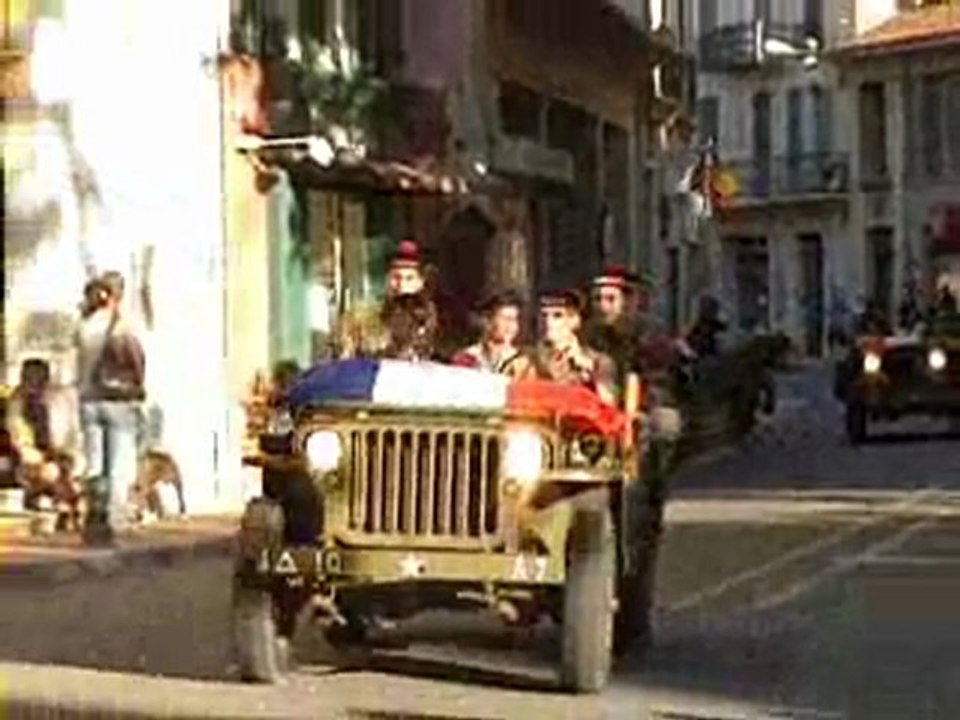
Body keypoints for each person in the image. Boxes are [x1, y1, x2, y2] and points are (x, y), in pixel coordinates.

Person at [75, 271, 147, 545]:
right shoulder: (120, 323)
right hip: (117, 400)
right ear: (118, 295)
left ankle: (93, 517)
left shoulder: (84, 324)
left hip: (88, 400)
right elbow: (134, 358)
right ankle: (114, 522)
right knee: (119, 464)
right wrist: (138, 385)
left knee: (94, 463)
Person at [7, 358, 84, 531]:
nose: (34, 383)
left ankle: (65, 504)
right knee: (51, 473)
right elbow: (19, 437)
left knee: (67, 473)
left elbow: (73, 434)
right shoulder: (18, 402)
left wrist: (67, 457)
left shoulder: (61, 398)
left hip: (63, 455)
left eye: (39, 377)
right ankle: (64, 504)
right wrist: (35, 455)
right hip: (32, 460)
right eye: (29, 377)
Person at [532, 289, 616, 405]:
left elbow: (609, 403)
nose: (548, 322)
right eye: (543, 315)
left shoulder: (598, 362)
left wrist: (589, 371)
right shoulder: (529, 359)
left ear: (575, 320)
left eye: (557, 315)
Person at [451, 290, 534, 379]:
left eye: (514, 319)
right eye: (505, 318)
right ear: (489, 321)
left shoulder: (523, 364)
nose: (511, 325)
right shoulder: (466, 359)